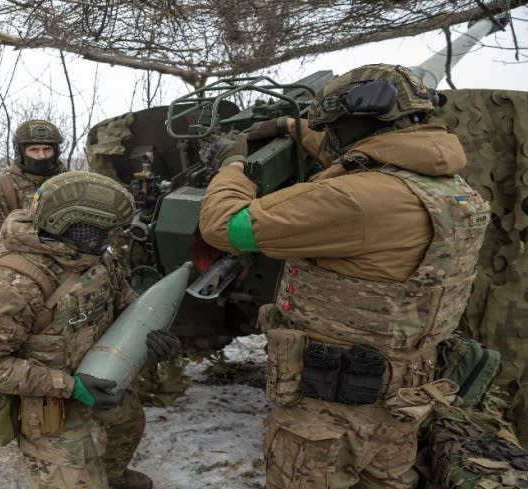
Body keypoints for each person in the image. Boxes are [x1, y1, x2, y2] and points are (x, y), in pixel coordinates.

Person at [198, 64, 490, 487]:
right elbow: (356, 156)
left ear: (360, 119)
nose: (329, 136)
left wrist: (232, 164)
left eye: (334, 124)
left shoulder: (356, 200)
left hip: (329, 412)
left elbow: (225, 225)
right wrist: (286, 124)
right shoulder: (451, 188)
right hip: (401, 399)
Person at [0, 171, 180, 489]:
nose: (113, 238)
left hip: (98, 373)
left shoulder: (94, 257)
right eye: (106, 231)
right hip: (46, 398)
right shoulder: (9, 282)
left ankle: (112, 475)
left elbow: (126, 307)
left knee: (128, 424)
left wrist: (151, 336)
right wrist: (70, 387)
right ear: (72, 225)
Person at [0, 119, 67, 252]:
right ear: (21, 153)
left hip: (71, 262)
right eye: (34, 150)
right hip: (20, 264)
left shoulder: (72, 184)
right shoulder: (0, 189)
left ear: (56, 151)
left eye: (47, 149)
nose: (41, 155)